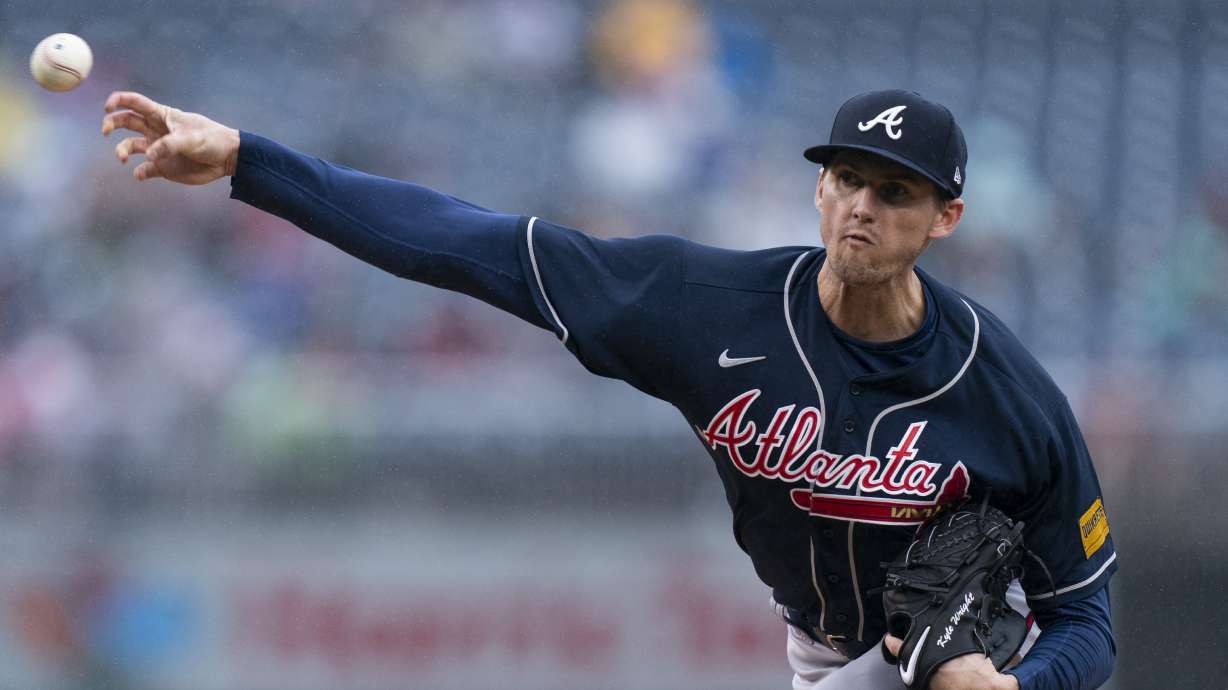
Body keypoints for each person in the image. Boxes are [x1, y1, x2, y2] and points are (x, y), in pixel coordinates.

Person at [102, 88, 1117, 689]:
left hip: (981, 647)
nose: (859, 206)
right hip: (825, 657)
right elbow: (466, 245)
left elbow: (1089, 622)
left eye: (892, 192)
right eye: (844, 178)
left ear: (944, 218)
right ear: (816, 186)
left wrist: (1019, 686)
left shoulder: (1008, 391)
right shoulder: (702, 302)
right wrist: (247, 160)